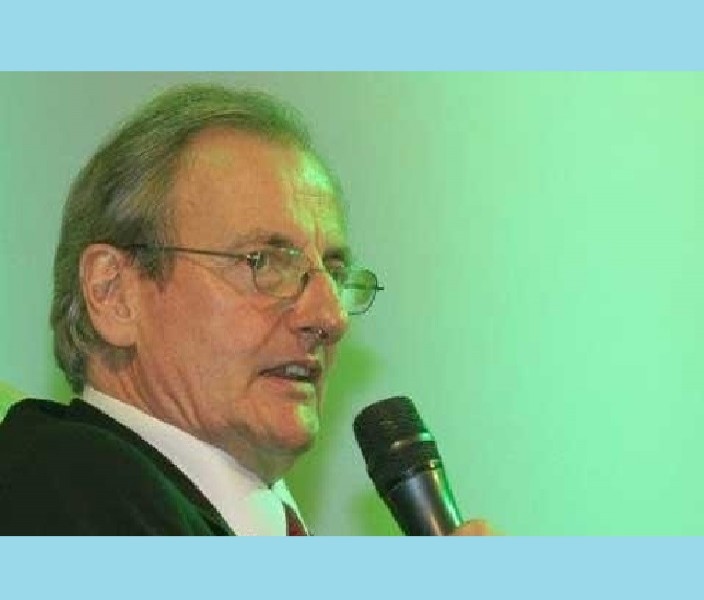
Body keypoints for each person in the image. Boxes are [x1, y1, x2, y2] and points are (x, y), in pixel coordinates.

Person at [0, 84, 492, 536]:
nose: (330, 317)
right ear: (114, 293)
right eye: (266, 262)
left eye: (335, 272)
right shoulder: (55, 486)